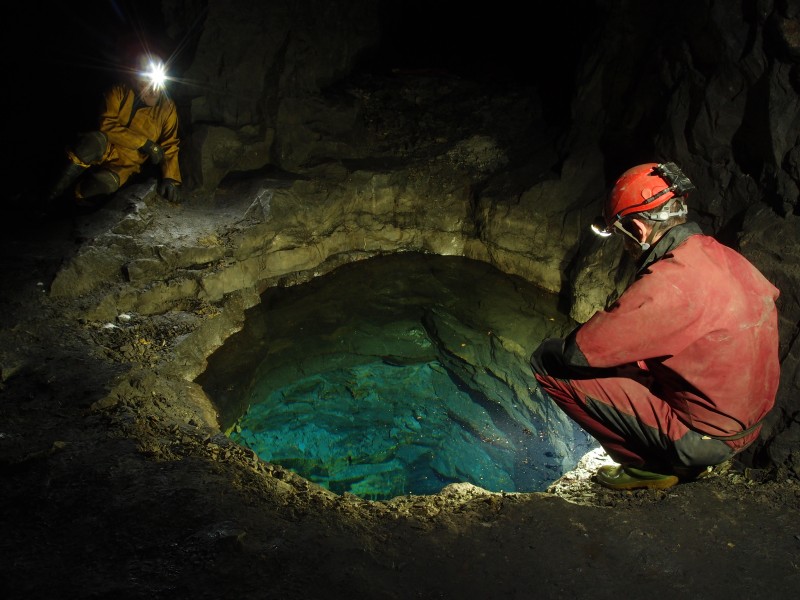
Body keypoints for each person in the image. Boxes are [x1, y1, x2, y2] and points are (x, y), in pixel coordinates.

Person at [530, 162, 780, 490]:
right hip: (748, 424)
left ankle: (648, 466)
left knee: (548, 363)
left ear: (637, 230)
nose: (625, 246)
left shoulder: (670, 282)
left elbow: (579, 353)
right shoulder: (725, 257)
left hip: (707, 440)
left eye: (622, 236)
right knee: (636, 362)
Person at [46, 54, 182, 208]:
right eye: (147, 83)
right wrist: (145, 144)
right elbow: (106, 125)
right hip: (106, 146)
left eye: (158, 83)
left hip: (126, 162)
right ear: (134, 79)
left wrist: (170, 179)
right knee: (91, 142)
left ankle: (69, 200)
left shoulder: (167, 108)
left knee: (105, 184)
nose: (154, 90)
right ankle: (48, 196)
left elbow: (170, 143)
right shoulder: (118, 92)